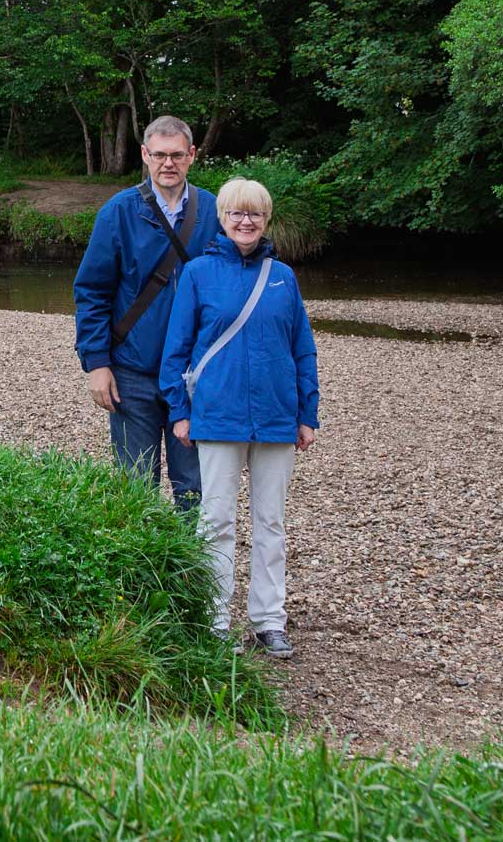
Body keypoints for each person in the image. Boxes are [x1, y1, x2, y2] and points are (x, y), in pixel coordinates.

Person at [160, 177, 320, 659]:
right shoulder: (198, 273)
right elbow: (176, 349)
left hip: (275, 417)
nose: (245, 221)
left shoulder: (283, 276)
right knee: (216, 520)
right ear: (222, 218)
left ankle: (269, 620)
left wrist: (306, 413)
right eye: (236, 213)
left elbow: (302, 349)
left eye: (254, 214)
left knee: (271, 523)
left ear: (266, 220)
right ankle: (212, 617)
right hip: (218, 415)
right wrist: (179, 411)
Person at [72, 116, 219, 510]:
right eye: (158, 155)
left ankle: (191, 569)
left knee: (194, 485)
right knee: (136, 485)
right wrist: (96, 363)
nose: (167, 163)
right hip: (132, 372)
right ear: (144, 155)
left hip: (193, 374)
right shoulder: (118, 212)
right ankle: (141, 569)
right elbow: (91, 291)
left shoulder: (216, 212)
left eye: (176, 155)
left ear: (191, 156)